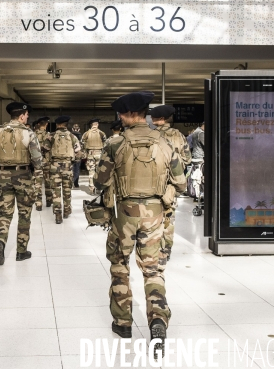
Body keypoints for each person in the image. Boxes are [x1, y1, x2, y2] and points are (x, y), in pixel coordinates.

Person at [93, 92, 186, 358]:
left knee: (119, 265)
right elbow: (181, 184)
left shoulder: (115, 143)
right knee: (153, 268)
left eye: (121, 114)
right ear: (144, 113)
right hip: (155, 213)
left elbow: (99, 181)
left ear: (127, 114)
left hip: (124, 213)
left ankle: (123, 323)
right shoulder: (166, 142)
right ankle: (157, 319)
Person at [0, 102, 42, 265]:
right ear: (22, 115)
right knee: (24, 213)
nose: (27, 117)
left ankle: (0, 242)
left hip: (3, 176)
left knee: (5, 213)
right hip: (23, 176)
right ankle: (21, 252)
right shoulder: (28, 133)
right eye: (27, 115)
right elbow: (37, 160)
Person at [148, 105, 192, 267]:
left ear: (155, 119)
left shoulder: (150, 135)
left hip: (151, 184)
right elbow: (187, 159)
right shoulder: (178, 135)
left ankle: (151, 250)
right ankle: (165, 252)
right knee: (168, 218)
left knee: (151, 219)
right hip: (171, 185)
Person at [42, 116, 81, 224]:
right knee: (67, 190)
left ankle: (58, 214)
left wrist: (49, 160)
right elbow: (78, 152)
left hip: (54, 167)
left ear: (57, 125)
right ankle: (67, 210)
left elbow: (44, 150)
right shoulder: (73, 136)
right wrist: (73, 161)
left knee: (56, 191)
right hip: (68, 167)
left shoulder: (51, 136)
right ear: (66, 124)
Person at [81, 118, 106, 194]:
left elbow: (82, 142)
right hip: (99, 153)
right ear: (97, 124)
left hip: (90, 154)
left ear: (91, 125)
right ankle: (98, 188)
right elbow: (106, 143)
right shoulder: (102, 133)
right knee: (99, 171)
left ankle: (92, 188)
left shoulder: (86, 133)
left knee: (91, 171)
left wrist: (85, 151)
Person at [33, 116, 52, 211]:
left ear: (38, 124)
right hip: (47, 162)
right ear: (46, 124)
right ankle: (49, 201)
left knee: (37, 183)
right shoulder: (49, 135)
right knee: (48, 182)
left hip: (36, 162)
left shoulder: (32, 135)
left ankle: (38, 203)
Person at [71, 123, 82, 188]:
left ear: (72, 129)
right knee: (77, 169)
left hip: (71, 154)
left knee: (71, 169)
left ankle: (71, 182)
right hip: (78, 154)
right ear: (79, 129)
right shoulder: (80, 136)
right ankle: (76, 183)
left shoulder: (70, 135)